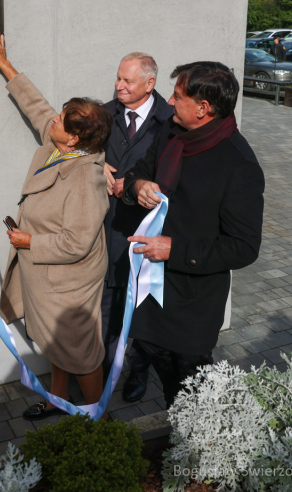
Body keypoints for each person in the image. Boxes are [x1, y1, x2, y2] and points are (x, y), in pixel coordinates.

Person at [0, 29, 113, 421]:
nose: (52, 119)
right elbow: (38, 108)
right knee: (56, 345)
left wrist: (29, 241)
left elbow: (76, 242)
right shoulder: (59, 146)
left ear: (74, 139)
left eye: (60, 120)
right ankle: (58, 400)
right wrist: (5, 65)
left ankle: (99, 421)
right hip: (47, 278)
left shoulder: (86, 178)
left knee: (81, 353)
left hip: (67, 282)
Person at [123, 61, 265, 407]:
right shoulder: (172, 133)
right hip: (150, 292)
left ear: (203, 108)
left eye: (177, 96)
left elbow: (243, 247)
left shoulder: (239, 165)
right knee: (160, 373)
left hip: (190, 307)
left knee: (191, 399)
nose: (169, 102)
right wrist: (139, 186)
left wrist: (175, 249)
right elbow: (137, 173)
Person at [101, 53, 173, 402]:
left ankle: (138, 371)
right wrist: (95, 164)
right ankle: (103, 375)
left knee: (143, 308)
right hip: (108, 228)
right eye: (118, 78)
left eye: (127, 81)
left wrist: (137, 184)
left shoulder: (170, 122)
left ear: (149, 83)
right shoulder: (105, 114)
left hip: (147, 233)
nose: (119, 86)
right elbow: (72, 144)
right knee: (108, 305)